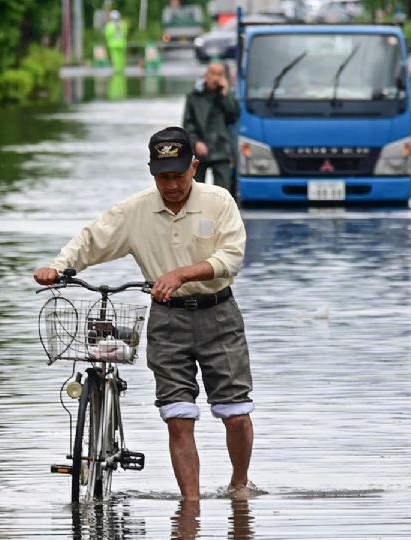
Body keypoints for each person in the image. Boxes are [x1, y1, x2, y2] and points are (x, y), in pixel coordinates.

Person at [33, 126, 255, 501]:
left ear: (194, 168)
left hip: (218, 315)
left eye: (178, 175)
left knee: (235, 413)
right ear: (152, 173)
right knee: (178, 418)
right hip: (168, 321)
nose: (170, 185)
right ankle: (191, 506)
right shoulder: (136, 211)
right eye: (162, 176)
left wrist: (181, 273)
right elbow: (93, 240)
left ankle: (239, 484)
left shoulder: (218, 202)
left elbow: (231, 257)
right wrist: (59, 267)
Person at [182, 62, 240, 193]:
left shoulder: (227, 96)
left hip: (222, 148)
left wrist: (225, 95)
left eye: (219, 74)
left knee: (223, 191)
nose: (215, 78)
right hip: (200, 149)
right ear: (206, 75)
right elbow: (187, 124)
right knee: (195, 190)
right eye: (213, 74)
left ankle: (219, 213)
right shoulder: (194, 97)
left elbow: (234, 117)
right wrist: (196, 142)